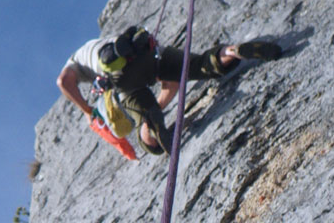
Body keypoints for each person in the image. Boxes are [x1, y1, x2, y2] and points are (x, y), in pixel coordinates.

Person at [57, 25, 282, 156]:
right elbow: (172, 84)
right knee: (200, 65)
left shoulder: (76, 61)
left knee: (149, 143)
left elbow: (64, 82)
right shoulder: (99, 44)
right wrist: (159, 107)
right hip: (148, 51)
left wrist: (88, 111)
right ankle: (233, 51)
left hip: (125, 76)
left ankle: (148, 124)